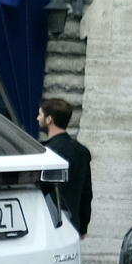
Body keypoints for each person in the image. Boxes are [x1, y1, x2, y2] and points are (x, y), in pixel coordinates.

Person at [38, 97, 92, 238]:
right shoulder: (81, 151)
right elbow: (86, 192)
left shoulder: (44, 152)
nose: (38, 118)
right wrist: (83, 226)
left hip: (46, 222)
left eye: (40, 114)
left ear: (49, 119)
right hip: (71, 224)